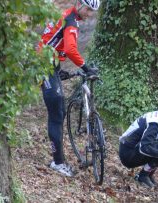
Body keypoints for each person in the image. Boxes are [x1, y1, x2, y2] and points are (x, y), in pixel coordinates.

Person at [37, 0, 100, 177]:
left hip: (50, 65)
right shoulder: (71, 21)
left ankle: (58, 159)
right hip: (44, 66)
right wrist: (86, 68)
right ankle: (57, 162)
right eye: (88, 9)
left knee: (59, 112)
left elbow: (55, 43)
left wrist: (59, 70)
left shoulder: (69, 17)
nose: (89, 14)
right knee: (57, 112)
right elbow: (71, 49)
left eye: (93, 11)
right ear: (79, 4)